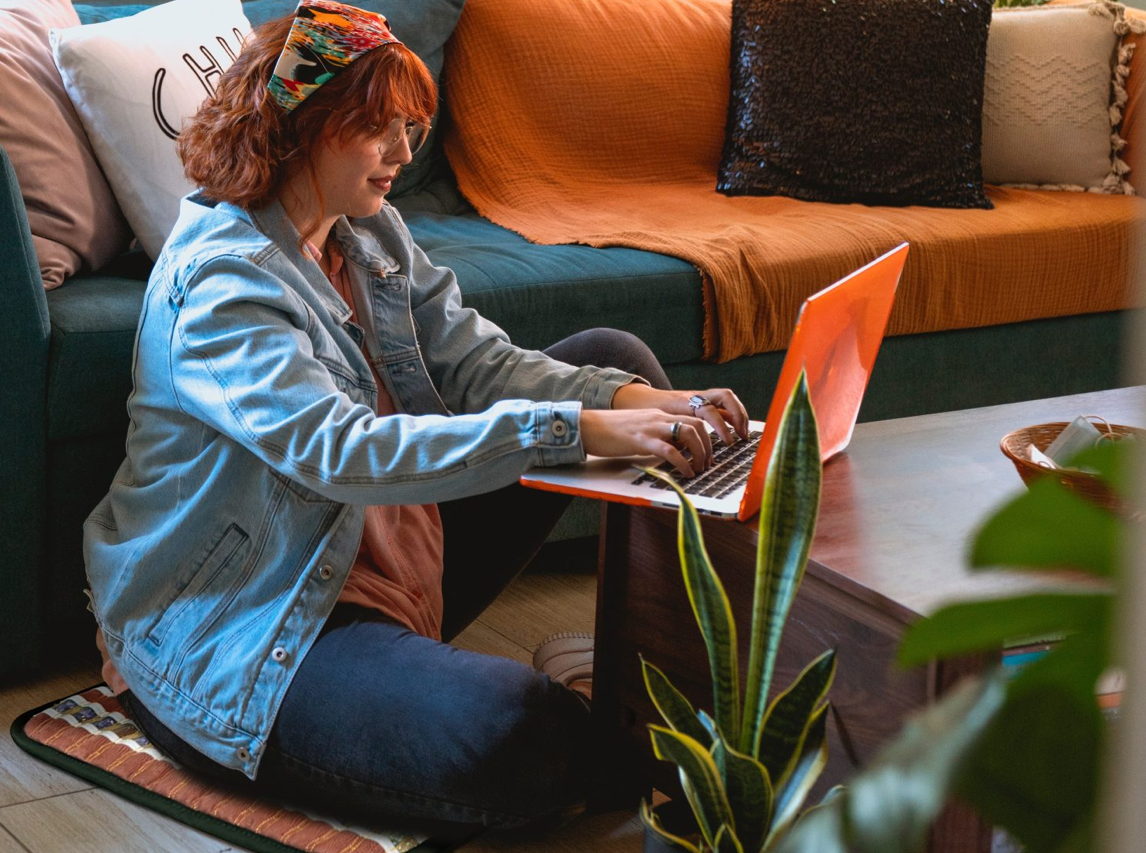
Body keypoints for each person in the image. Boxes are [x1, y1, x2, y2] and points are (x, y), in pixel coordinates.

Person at [84, 0, 749, 839]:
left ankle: (660, 680)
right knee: (519, 727)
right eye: (381, 130)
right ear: (305, 127)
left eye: (410, 127)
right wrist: (576, 432)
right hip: (257, 624)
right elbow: (341, 455)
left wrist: (633, 405)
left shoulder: (368, 231)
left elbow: (480, 363)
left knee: (619, 361)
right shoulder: (222, 289)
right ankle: (644, 738)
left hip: (382, 550)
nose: (405, 154)